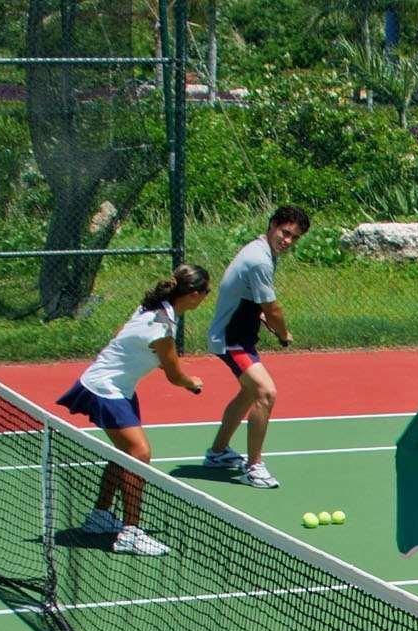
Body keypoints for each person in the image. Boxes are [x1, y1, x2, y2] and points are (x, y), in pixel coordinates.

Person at [57, 263, 212, 556]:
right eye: (206, 291)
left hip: (117, 387)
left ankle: (100, 515)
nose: (206, 296)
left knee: (127, 453)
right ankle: (131, 532)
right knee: (139, 453)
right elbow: (174, 375)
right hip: (106, 390)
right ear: (192, 294)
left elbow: (120, 333)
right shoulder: (161, 327)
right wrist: (192, 383)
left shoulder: (153, 308)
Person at [200, 204, 310, 489]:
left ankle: (218, 453)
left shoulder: (263, 252)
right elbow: (272, 308)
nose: (287, 241)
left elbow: (248, 296)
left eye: (294, 238)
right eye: (284, 233)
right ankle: (254, 466)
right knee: (265, 392)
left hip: (239, 335)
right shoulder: (260, 259)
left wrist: (258, 315)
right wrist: (284, 334)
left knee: (250, 393)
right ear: (272, 225)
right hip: (230, 338)